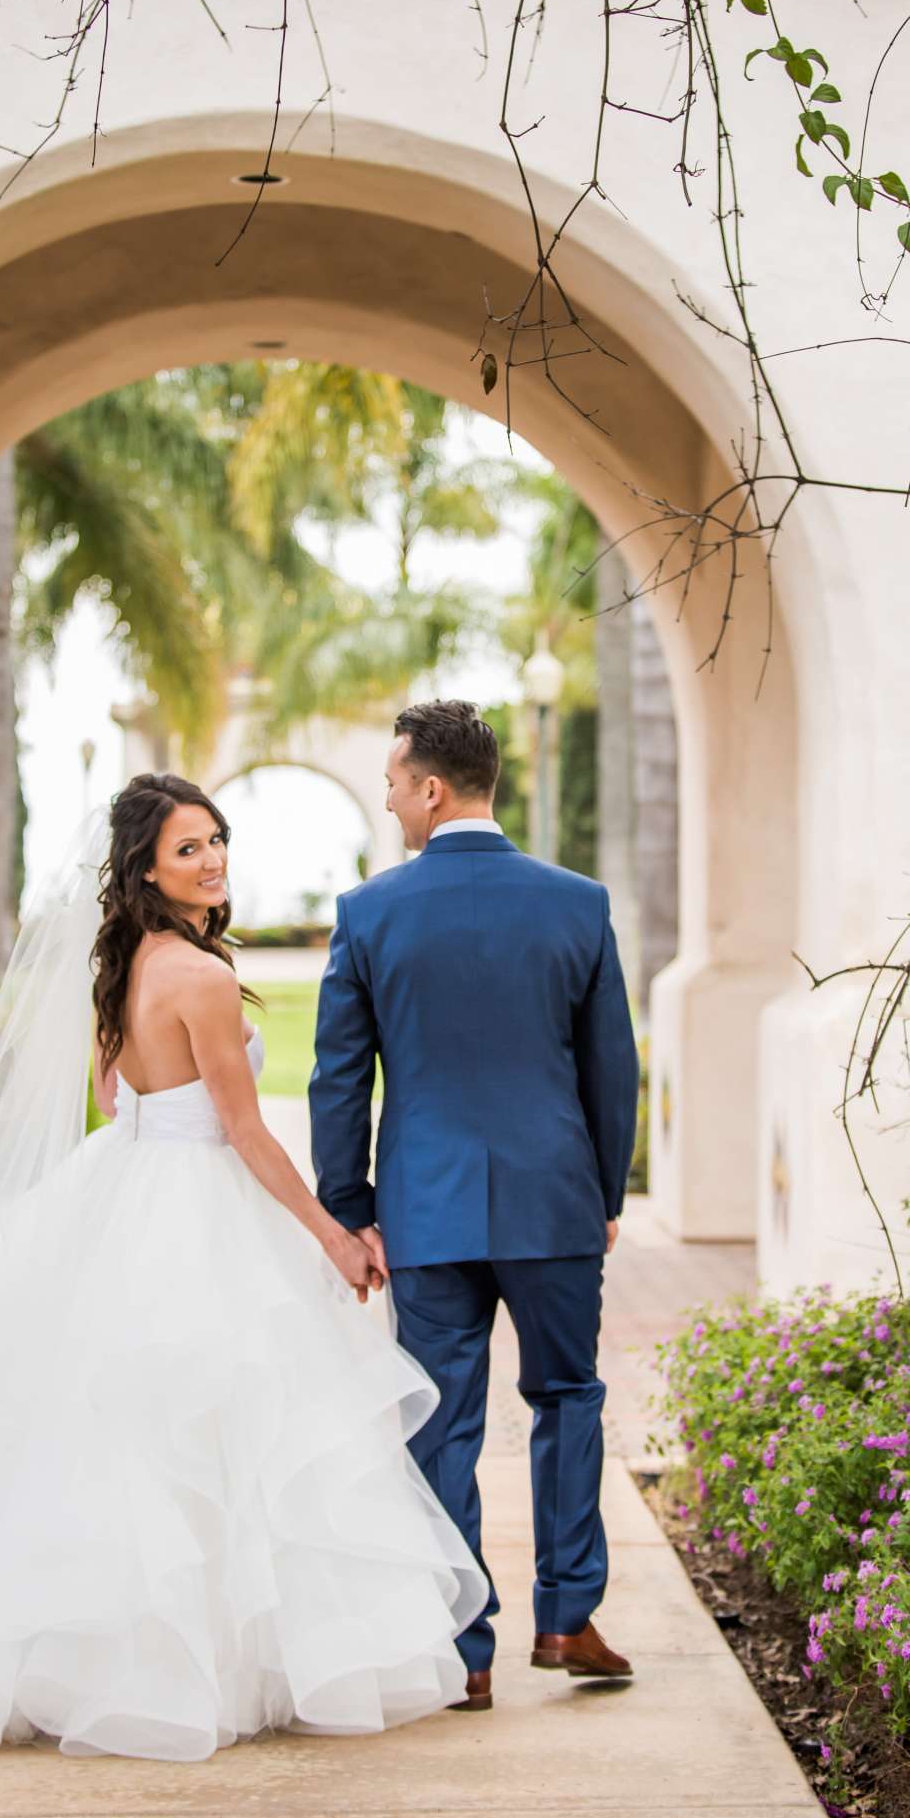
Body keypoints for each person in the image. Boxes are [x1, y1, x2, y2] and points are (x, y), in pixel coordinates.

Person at [0, 774, 487, 1761]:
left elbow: (114, 1093)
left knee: (111, 1434)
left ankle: (73, 1659)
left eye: (217, 841)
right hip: (195, 1195)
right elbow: (243, 1131)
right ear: (146, 868)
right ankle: (189, 1672)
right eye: (188, 848)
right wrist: (332, 1232)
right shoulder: (198, 978)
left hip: (123, 1184)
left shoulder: (122, 967)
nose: (212, 861)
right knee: (215, 1435)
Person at [309, 701, 642, 1713]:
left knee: (443, 1426)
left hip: (428, 1212)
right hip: (554, 1206)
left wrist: (352, 1209)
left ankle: (466, 1650)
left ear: (432, 789)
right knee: (567, 1396)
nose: (389, 799)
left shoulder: (370, 913)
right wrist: (607, 1190)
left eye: (394, 782)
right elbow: (611, 1069)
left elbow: (339, 1081)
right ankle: (567, 1616)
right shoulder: (577, 904)